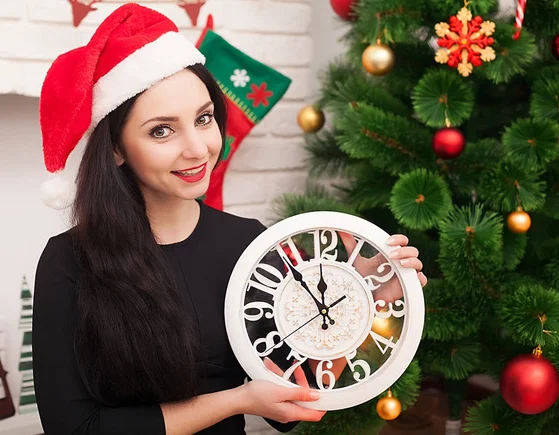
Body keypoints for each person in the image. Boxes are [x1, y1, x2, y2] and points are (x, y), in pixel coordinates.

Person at [31, 4, 428, 435]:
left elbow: (295, 393)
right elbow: (72, 427)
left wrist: (362, 299)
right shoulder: (68, 261)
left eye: (203, 119)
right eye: (161, 130)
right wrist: (236, 401)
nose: (198, 149)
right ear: (115, 148)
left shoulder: (250, 244)